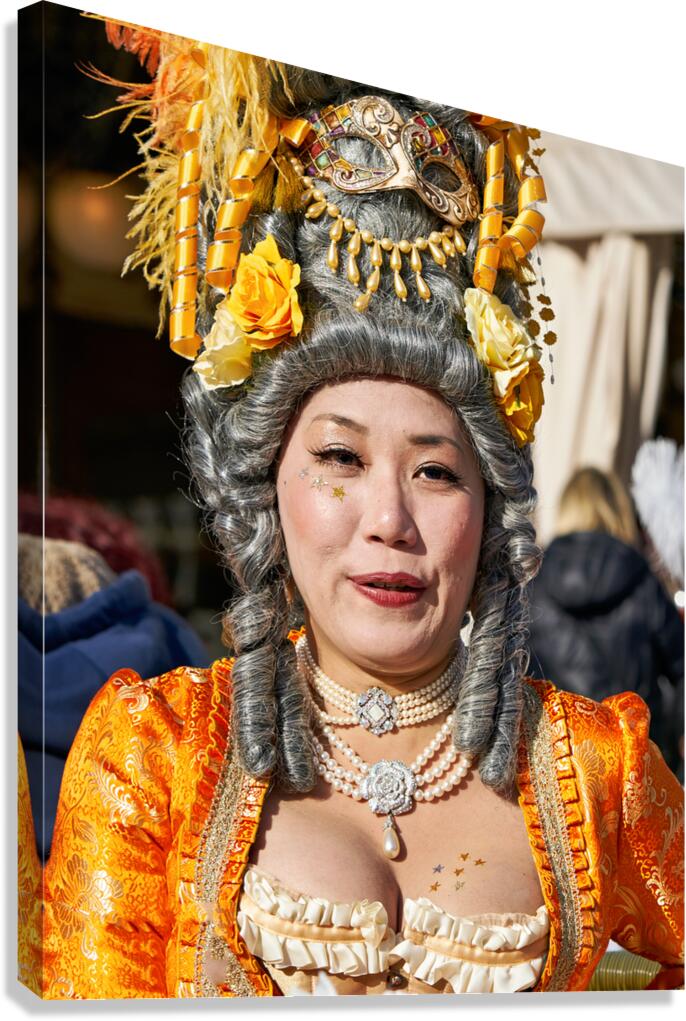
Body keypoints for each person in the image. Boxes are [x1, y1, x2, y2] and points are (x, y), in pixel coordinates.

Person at [38, 23, 683, 998]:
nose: (389, 517)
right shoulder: (155, 754)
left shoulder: (595, 767)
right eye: (339, 456)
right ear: (264, 483)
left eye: (435, 471)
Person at [528, 466, 684, 773]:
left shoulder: (534, 583)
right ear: (618, 508)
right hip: (640, 763)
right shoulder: (641, 577)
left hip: (564, 769)